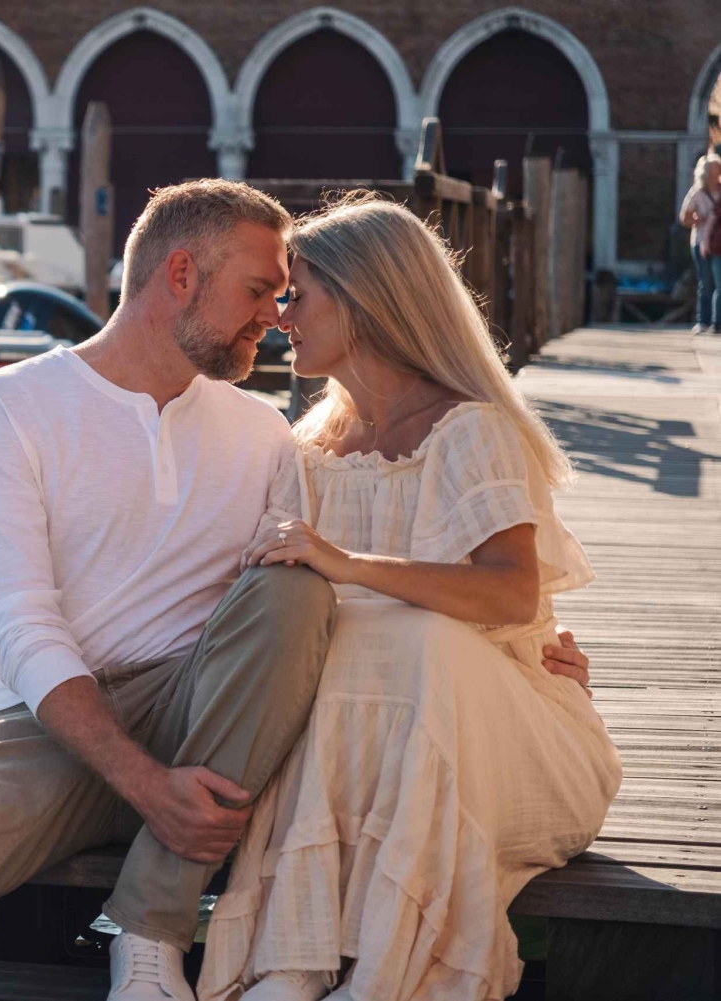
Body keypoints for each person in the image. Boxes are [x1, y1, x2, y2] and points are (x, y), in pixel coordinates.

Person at [0, 180, 596, 1001]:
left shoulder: (262, 432)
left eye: (287, 295)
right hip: (45, 718)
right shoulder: (8, 408)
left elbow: (347, 585)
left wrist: (526, 654)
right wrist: (145, 782)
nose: (273, 316)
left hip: (208, 716)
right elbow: (20, 629)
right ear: (182, 274)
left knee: (291, 592)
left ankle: (151, 939)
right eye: (259, 290)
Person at [197, 196, 623, 1001]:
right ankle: (297, 957)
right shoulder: (304, 453)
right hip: (373, 739)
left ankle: (383, 974)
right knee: (335, 640)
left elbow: (513, 591)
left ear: (365, 300)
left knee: (408, 636)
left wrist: (349, 565)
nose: (282, 317)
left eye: (299, 295)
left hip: (510, 738)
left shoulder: (470, 430)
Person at [679, 152, 721, 333]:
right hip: (700, 241)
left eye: (718, 170)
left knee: (719, 282)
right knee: (705, 281)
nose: (716, 174)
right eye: (713, 170)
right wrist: (699, 220)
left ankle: (717, 322)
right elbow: (684, 218)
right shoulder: (697, 192)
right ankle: (703, 320)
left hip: (719, 243)